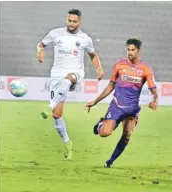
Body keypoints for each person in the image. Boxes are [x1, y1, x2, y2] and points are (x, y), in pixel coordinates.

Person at [36, 9, 104, 160]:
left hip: (75, 72)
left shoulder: (85, 38)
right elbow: (41, 44)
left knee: (69, 78)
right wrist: (40, 51)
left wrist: (98, 68)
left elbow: (93, 55)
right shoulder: (55, 33)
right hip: (56, 75)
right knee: (56, 115)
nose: (71, 24)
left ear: (80, 22)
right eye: (69, 21)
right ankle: (67, 142)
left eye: (74, 22)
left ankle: (50, 105)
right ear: (66, 20)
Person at [85, 38, 158, 168]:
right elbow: (110, 86)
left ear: (138, 51)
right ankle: (101, 123)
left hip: (132, 109)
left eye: (133, 50)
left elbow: (154, 90)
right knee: (104, 133)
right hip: (117, 106)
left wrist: (154, 100)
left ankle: (110, 161)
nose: (130, 52)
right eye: (128, 49)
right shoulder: (119, 65)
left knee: (127, 133)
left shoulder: (145, 69)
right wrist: (95, 101)